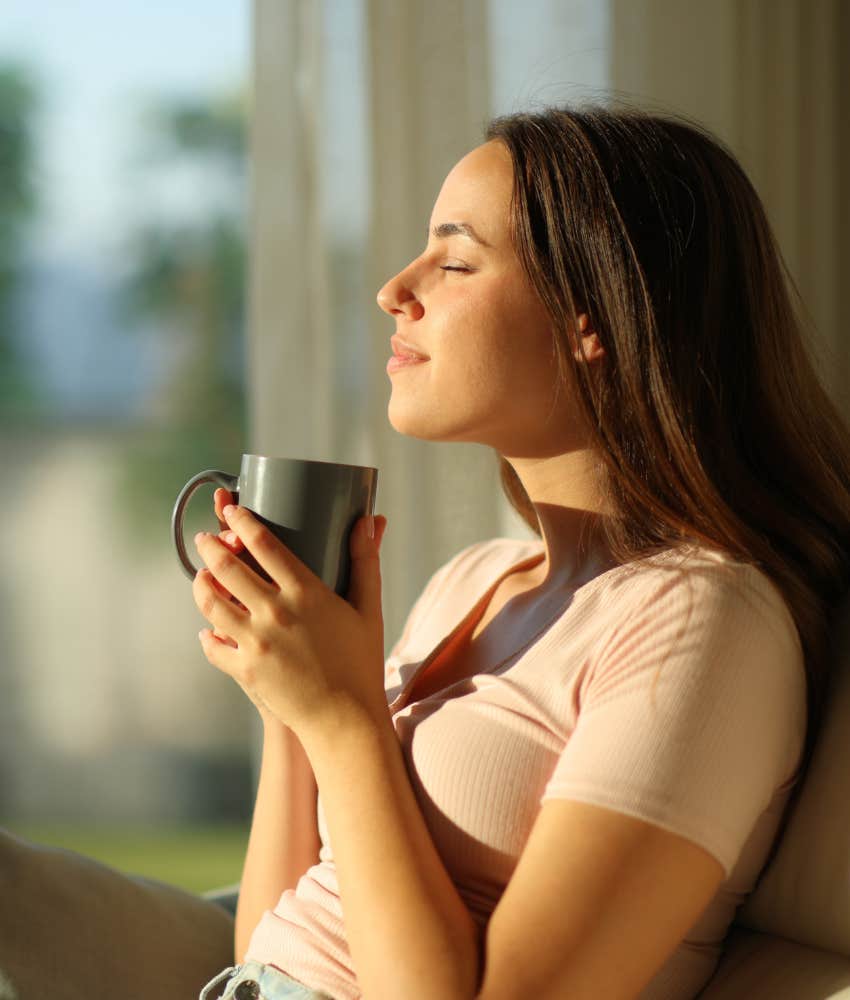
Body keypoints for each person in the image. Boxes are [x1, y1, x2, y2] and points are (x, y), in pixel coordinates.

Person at [1, 103, 848, 1000]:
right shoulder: (471, 583)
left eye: (453, 260)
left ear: (590, 318)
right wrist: (289, 700)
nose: (393, 290)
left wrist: (343, 719)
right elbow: (271, 947)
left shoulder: (702, 619)